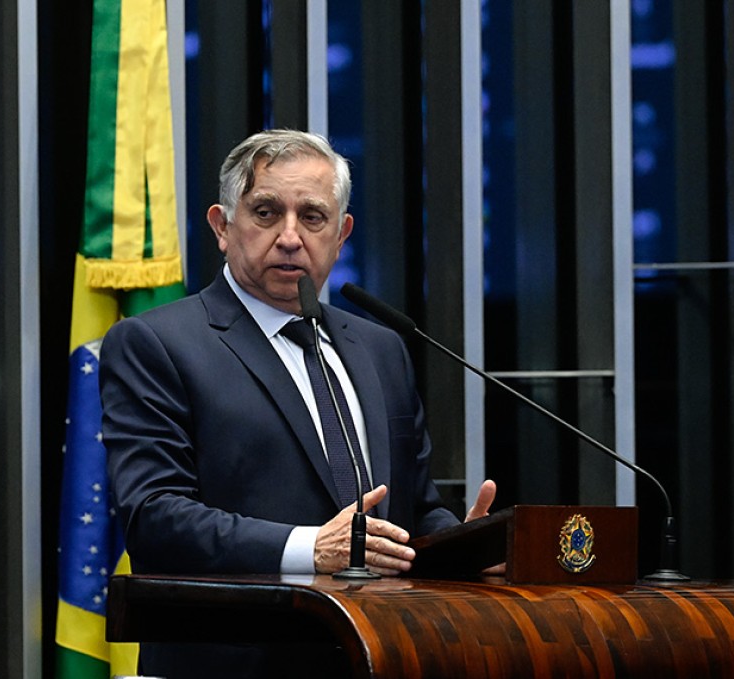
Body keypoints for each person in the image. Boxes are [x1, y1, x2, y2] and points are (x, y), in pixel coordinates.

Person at [100, 128, 498, 677]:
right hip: (233, 663)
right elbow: (154, 517)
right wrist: (308, 548)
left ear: (341, 234)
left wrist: (465, 549)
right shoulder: (157, 343)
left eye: (312, 217)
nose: (290, 237)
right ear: (222, 226)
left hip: (381, 654)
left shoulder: (381, 348)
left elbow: (411, 509)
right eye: (266, 212)